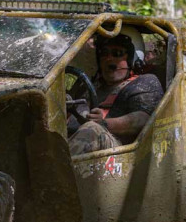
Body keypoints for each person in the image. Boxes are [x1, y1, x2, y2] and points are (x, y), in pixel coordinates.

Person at [67, 27, 163, 155]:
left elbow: (143, 120)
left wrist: (104, 123)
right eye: (104, 53)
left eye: (117, 53)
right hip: (80, 148)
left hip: (121, 153)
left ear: (133, 58)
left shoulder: (145, 82)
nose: (109, 59)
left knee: (92, 130)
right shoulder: (87, 84)